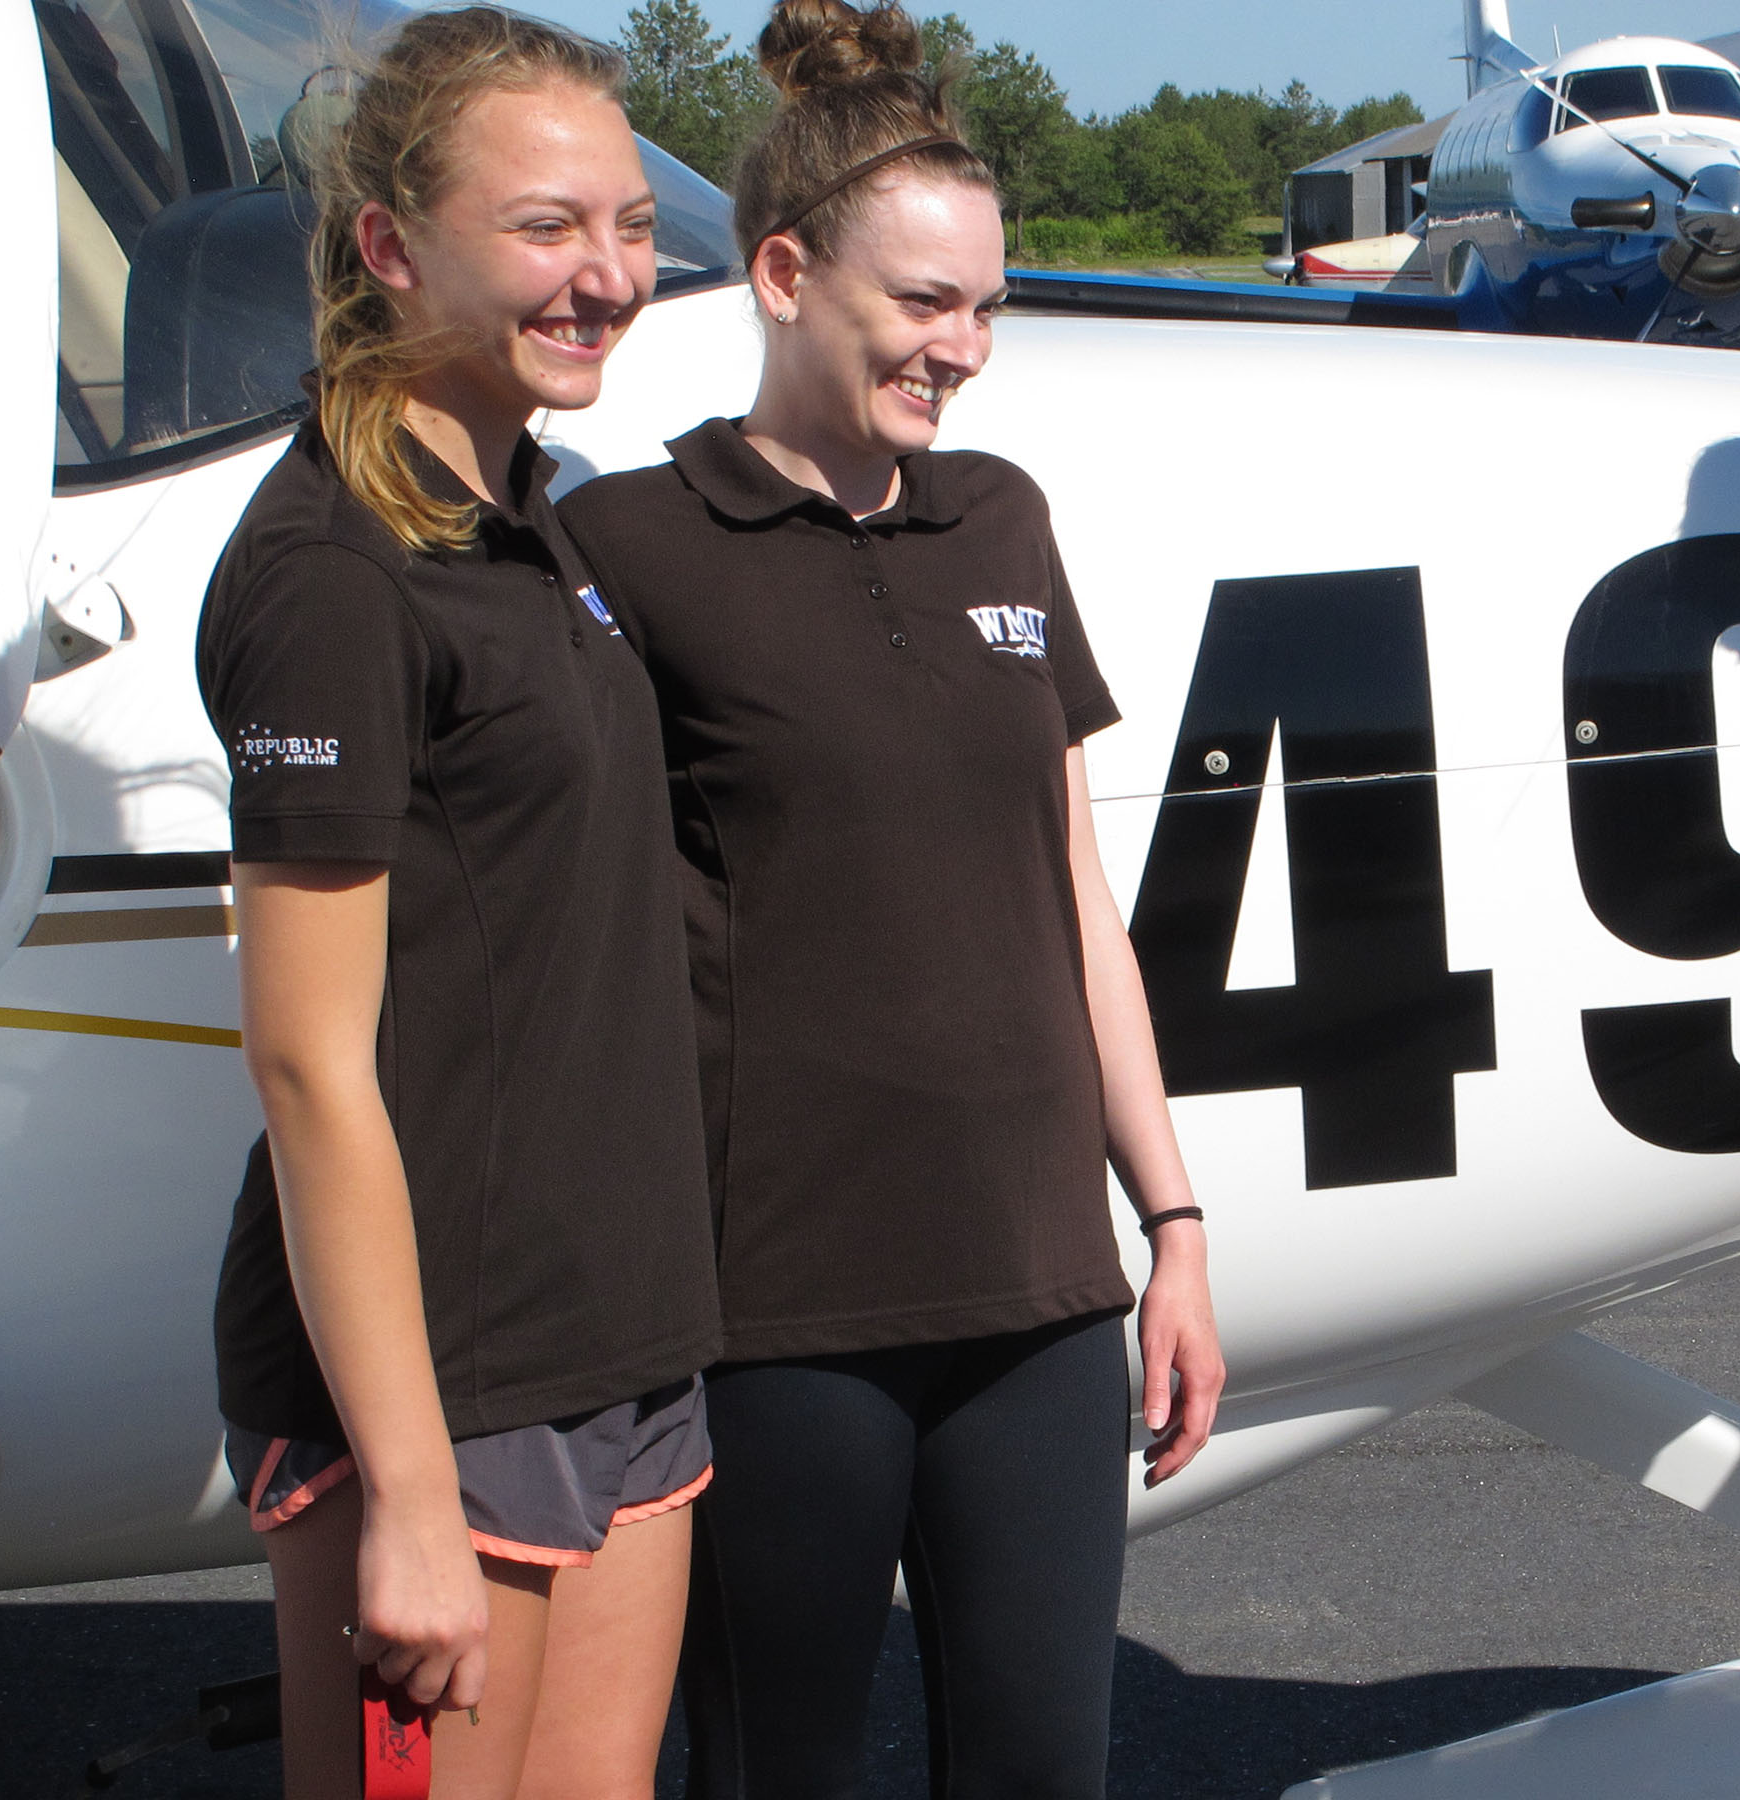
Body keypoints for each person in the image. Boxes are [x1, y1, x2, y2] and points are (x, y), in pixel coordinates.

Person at [556, 4, 1225, 1793]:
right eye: (927, 304)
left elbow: (1072, 894)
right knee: (786, 1773)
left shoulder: (1001, 521)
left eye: (990, 308)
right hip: (777, 1313)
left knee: (1043, 1770)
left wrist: (1170, 1227)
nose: (968, 350)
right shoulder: (628, 545)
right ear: (783, 273)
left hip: (1042, 1303)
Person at [192, 12, 719, 1795]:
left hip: (615, 1334)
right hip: (445, 1385)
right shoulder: (331, 568)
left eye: (634, 225)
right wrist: (409, 1497)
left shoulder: (529, 510)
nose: (611, 275)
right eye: (549, 227)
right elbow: (308, 1068)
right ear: (392, 246)